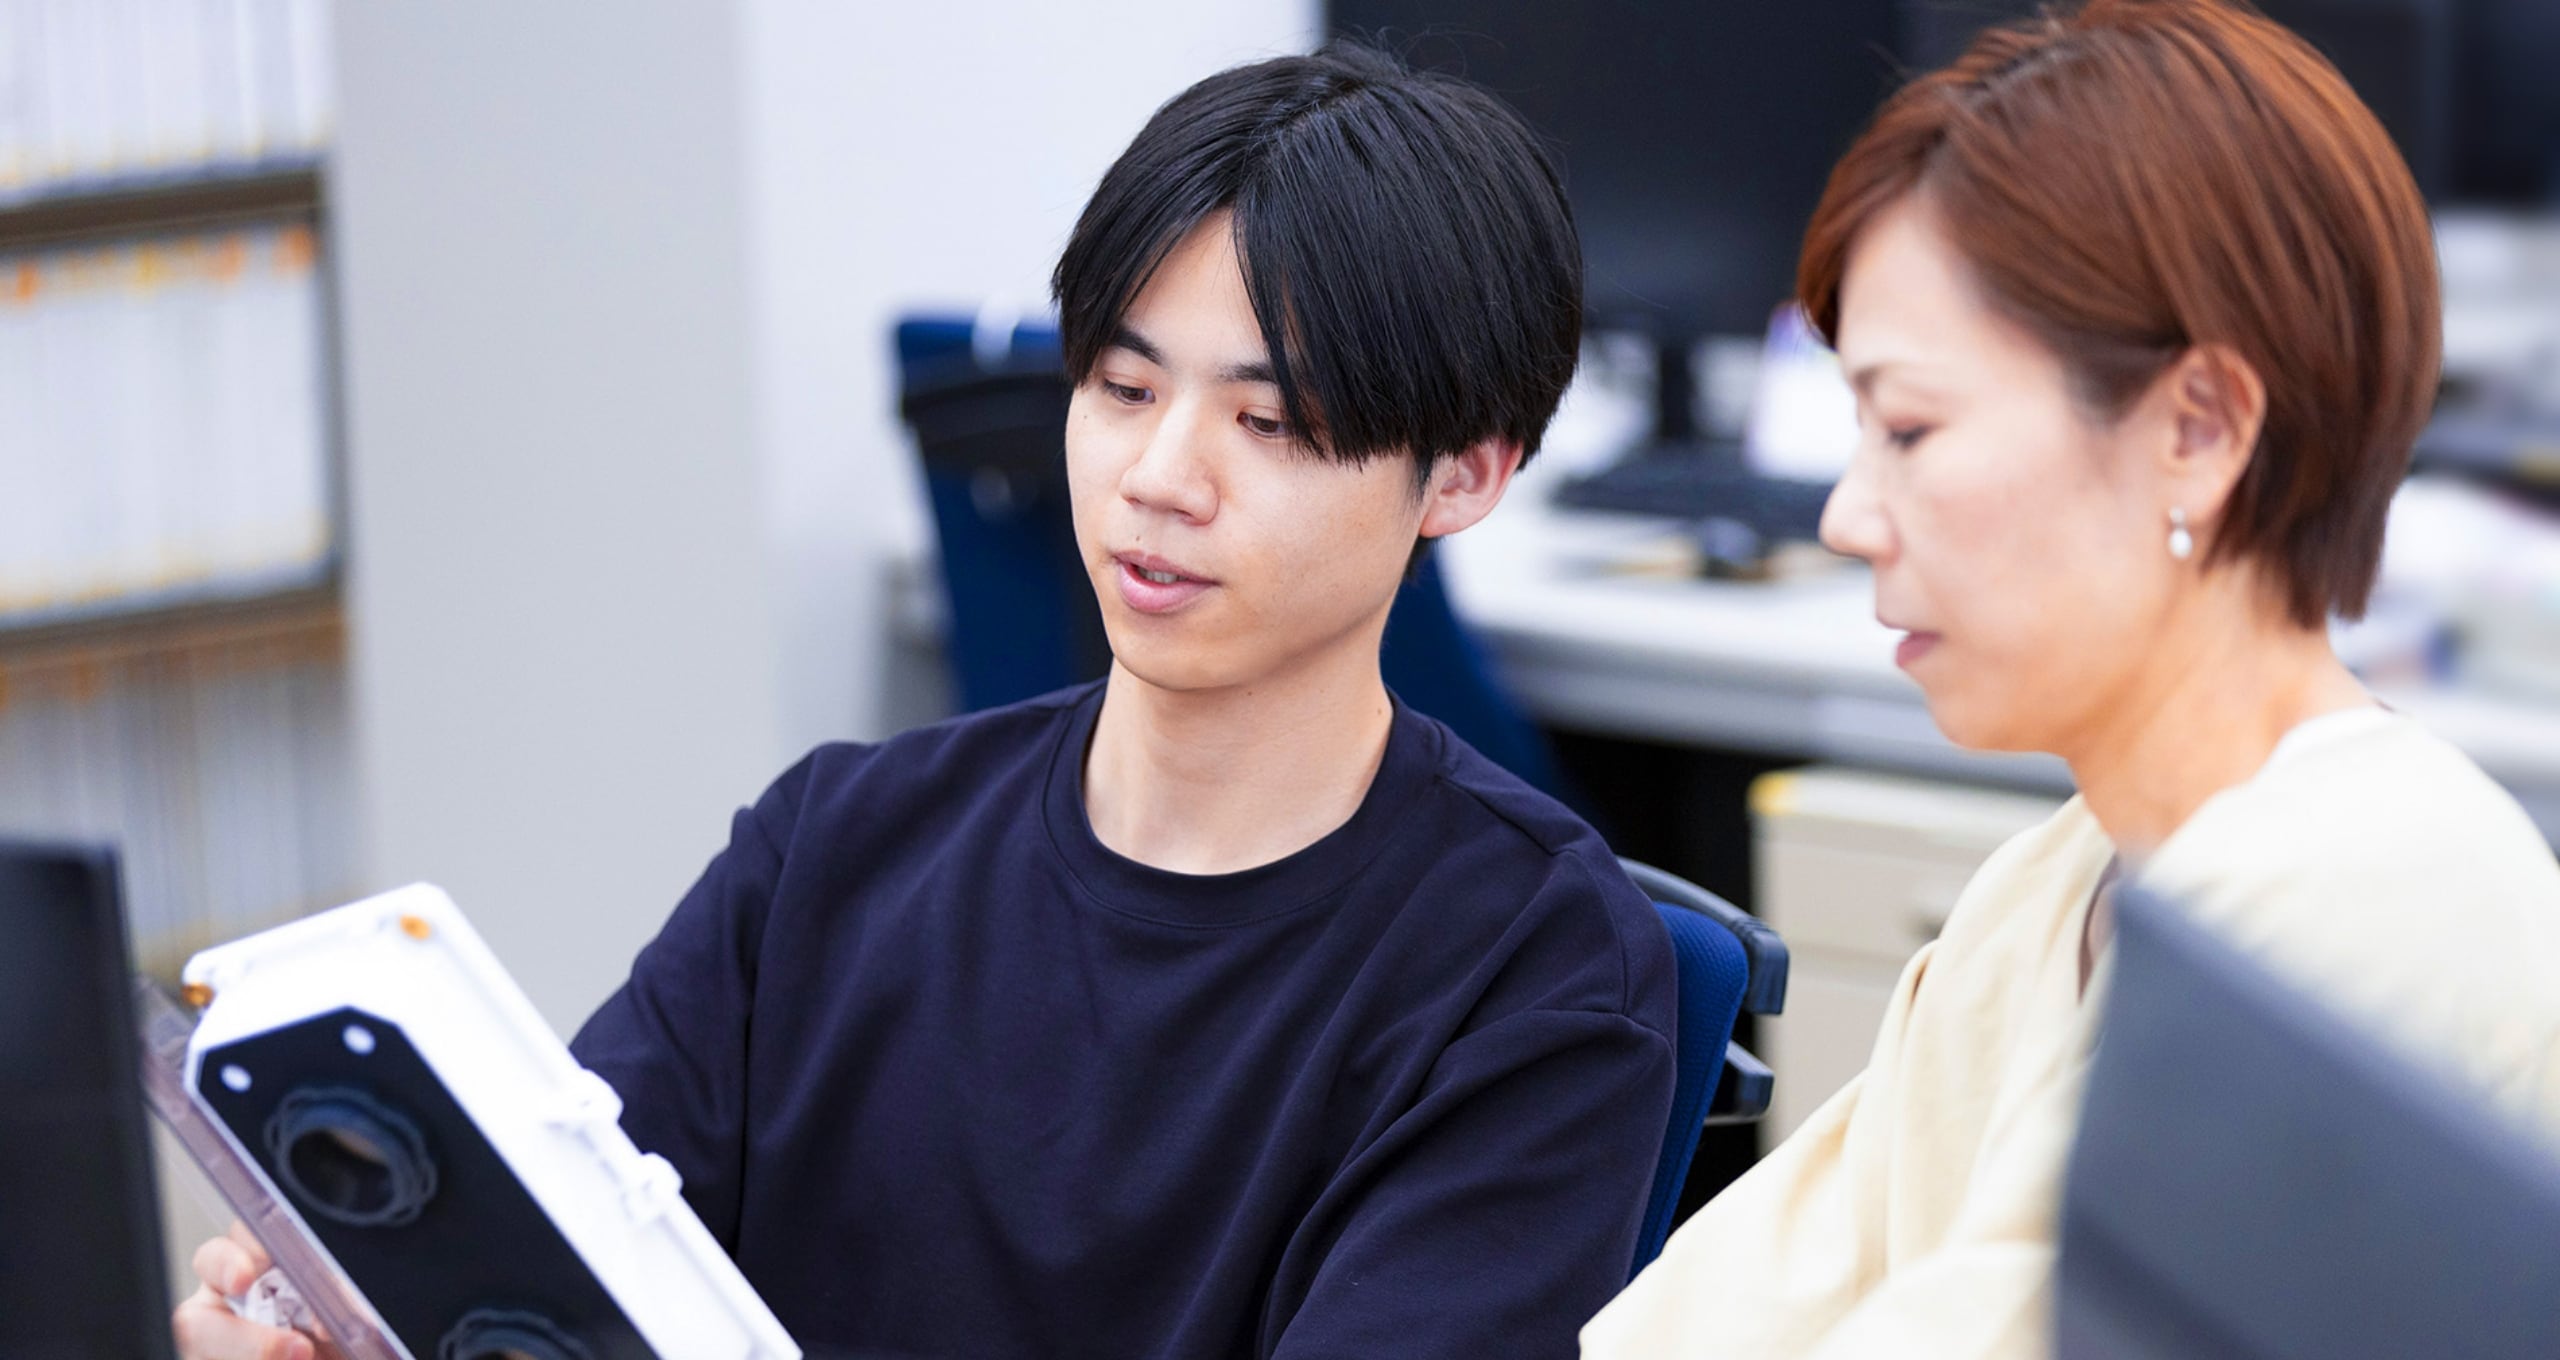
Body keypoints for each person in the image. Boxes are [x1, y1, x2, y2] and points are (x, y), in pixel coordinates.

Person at [176, 43, 1677, 1360]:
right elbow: (555, 1283)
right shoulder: (832, 850)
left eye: (1270, 421)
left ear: (1463, 474)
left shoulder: (1534, 974)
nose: (1160, 477)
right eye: (1123, 389)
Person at [1583, 1, 2560, 1356]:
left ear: (2198, 431)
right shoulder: (2054, 885)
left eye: (1910, 427)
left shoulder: (2368, 905)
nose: (1845, 517)